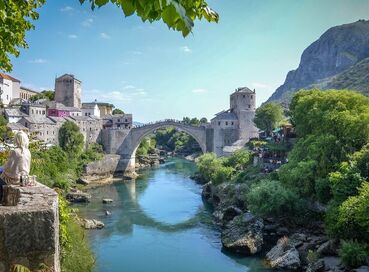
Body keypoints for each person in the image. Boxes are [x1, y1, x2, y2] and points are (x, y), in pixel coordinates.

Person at [0, 131, 31, 202]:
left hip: (14, 179)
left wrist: (2, 168)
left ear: (17, 140)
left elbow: (8, 167)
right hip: (24, 178)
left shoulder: (15, 151)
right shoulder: (28, 151)